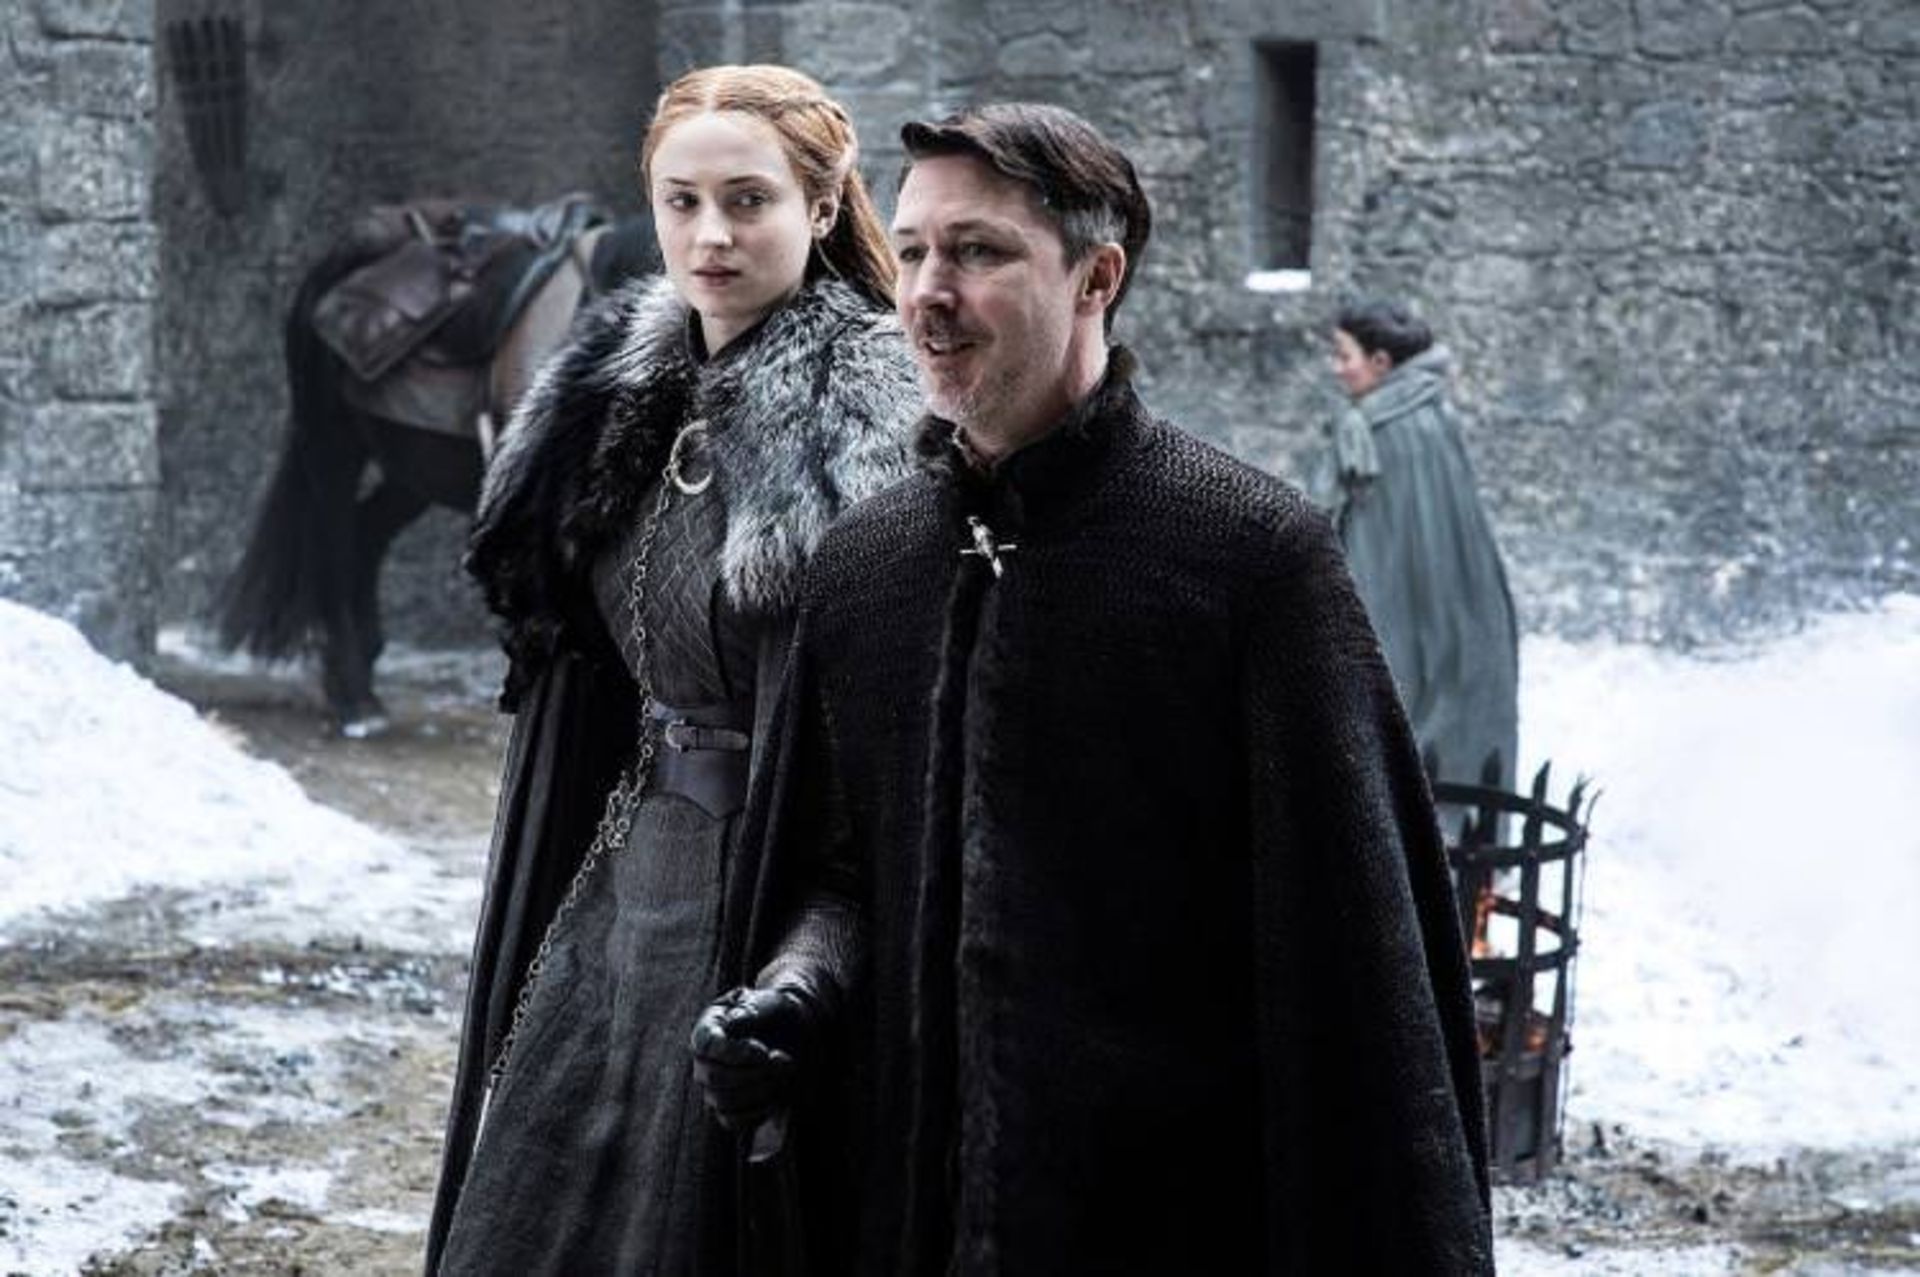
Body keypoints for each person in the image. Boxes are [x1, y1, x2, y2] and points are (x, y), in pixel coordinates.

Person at [692, 104, 1493, 1274]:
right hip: (910, 1218)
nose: (928, 293)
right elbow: (841, 868)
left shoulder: (1247, 557)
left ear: (1096, 277)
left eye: (979, 251)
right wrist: (797, 989)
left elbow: (1356, 981)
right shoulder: (867, 566)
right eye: (911, 252)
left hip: (1170, 1229)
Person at [425, 65, 920, 1275]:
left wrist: (818, 955)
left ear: (820, 205)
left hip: (786, 877)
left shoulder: (880, 419)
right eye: (681, 201)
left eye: (749, 200)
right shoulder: (612, 398)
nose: (711, 237)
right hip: (627, 862)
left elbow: (894, 753)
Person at [1314, 299, 1520, 800]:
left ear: (1381, 362)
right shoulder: (1411, 417)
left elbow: (1389, 556)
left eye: (1344, 355)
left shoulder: (1392, 431)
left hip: (1410, 623)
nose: (1335, 367)